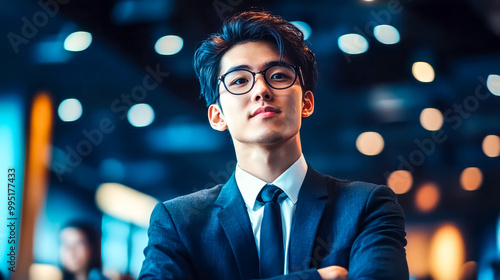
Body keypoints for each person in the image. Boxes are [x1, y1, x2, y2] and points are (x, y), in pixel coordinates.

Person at [138, 10, 409, 280]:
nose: (261, 90)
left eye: (278, 75)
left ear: (306, 103)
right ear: (217, 116)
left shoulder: (366, 207)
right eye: (240, 80)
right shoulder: (179, 222)